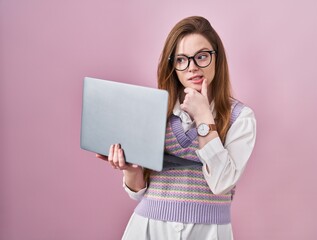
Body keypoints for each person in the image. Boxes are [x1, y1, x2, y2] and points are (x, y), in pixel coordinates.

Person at [96, 16, 256, 240]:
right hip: (148, 228)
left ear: (217, 58)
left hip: (208, 232)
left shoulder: (240, 118)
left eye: (201, 57)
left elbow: (221, 183)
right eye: (181, 60)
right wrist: (131, 170)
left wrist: (203, 117)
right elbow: (139, 192)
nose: (192, 67)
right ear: (173, 65)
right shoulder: (155, 110)